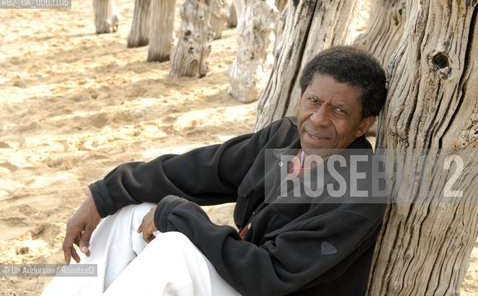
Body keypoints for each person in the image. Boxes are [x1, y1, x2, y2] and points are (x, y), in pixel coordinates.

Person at [42, 45, 387, 296]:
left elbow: (269, 275)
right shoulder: (285, 138)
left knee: (173, 253)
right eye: (313, 101)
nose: (319, 119)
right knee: (132, 214)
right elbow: (204, 168)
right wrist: (103, 195)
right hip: (239, 273)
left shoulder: (358, 189)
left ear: (363, 125)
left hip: (267, 288)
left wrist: (177, 216)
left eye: (339, 110)